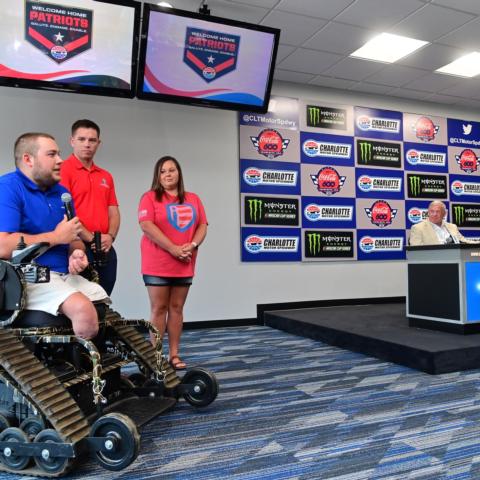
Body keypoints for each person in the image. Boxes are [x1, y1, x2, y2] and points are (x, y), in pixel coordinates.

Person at [0, 132, 110, 339]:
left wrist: (76, 253)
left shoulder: (61, 193)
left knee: (104, 307)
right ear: (28, 159)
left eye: (59, 154)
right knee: (83, 311)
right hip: (27, 279)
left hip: (64, 276)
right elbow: (3, 245)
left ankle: (94, 368)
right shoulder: (7, 188)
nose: (60, 160)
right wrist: (57, 236)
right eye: (52, 154)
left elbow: (73, 238)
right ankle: (82, 370)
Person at [138, 156, 207, 370]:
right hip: (157, 262)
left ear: (179, 173)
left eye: (172, 170)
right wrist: (173, 248)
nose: (168, 174)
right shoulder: (149, 198)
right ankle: (156, 356)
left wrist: (193, 245)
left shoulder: (193, 198)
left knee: (177, 308)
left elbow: (202, 225)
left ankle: (174, 354)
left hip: (184, 261)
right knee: (159, 308)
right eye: (163, 171)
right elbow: (146, 225)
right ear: (158, 176)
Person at [60, 119, 120, 296]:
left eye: (92, 140)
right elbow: (65, 211)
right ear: (72, 141)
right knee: (82, 301)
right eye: (82, 139)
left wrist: (111, 236)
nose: (87, 144)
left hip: (105, 246)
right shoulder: (62, 170)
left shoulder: (106, 176)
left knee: (103, 299)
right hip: (76, 246)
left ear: (98, 143)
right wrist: (92, 239)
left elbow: (113, 211)